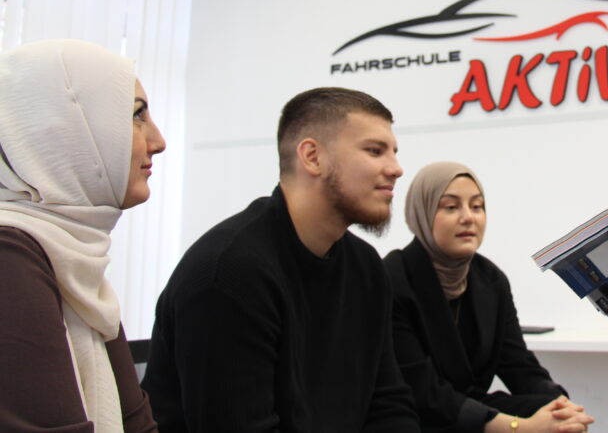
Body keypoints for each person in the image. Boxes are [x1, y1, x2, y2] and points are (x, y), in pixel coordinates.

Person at [142, 87, 419, 432]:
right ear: (312, 157)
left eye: (393, 152)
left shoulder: (366, 267)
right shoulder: (230, 273)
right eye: (375, 151)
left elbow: (389, 403)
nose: (396, 169)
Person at [0, 38, 166, 432]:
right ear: (63, 129)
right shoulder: (10, 255)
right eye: (137, 115)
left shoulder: (72, 253)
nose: (158, 141)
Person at [384, 161, 594, 433]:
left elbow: (518, 364)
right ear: (422, 213)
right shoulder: (394, 277)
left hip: (471, 407)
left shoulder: (490, 279)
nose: (468, 217)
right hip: (416, 417)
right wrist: (518, 427)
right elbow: (423, 390)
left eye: (477, 206)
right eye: (450, 207)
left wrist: (560, 405)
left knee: (560, 421)